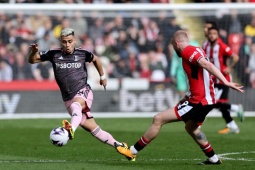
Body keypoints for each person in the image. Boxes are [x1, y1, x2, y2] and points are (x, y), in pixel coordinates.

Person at [115, 30, 244, 165]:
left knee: (158, 119)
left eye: (172, 46)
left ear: (177, 44)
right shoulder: (196, 50)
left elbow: (208, 65)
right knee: (191, 128)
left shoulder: (187, 52)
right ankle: (213, 159)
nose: (173, 49)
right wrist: (186, 96)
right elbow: (197, 79)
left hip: (199, 101)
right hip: (204, 99)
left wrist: (225, 81)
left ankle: (132, 151)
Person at [28, 28, 126, 154]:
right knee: (94, 130)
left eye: (69, 41)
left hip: (83, 90)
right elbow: (32, 60)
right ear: (60, 42)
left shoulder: (82, 53)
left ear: (74, 41)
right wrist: (33, 52)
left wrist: (102, 76)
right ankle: (120, 146)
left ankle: (70, 130)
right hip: (68, 98)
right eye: (64, 42)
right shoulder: (54, 54)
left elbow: (96, 59)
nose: (67, 45)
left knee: (76, 105)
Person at [203, 26, 244, 134]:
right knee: (219, 105)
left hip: (223, 79)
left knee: (213, 103)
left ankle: (236, 108)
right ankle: (233, 126)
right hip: (213, 80)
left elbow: (235, 57)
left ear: (217, 34)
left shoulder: (221, 46)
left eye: (214, 33)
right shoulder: (205, 45)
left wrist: (229, 67)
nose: (211, 35)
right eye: (209, 32)